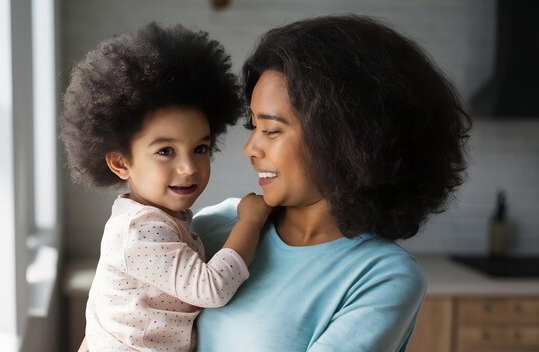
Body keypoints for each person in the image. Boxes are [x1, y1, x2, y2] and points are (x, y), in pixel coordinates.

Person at [192, 15, 471, 351]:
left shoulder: (380, 276)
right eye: (253, 127)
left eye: (271, 130)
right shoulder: (215, 226)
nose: (250, 149)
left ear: (345, 138)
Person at [60, 23, 271, 351]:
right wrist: (250, 223)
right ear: (120, 162)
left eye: (200, 148)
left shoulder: (154, 217)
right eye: (165, 151)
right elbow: (212, 288)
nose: (188, 167)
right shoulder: (141, 231)